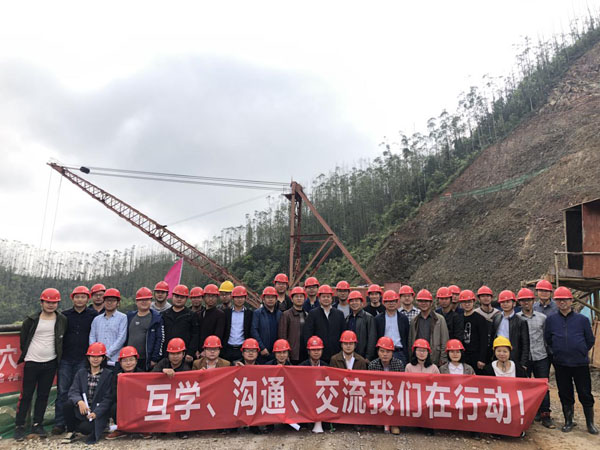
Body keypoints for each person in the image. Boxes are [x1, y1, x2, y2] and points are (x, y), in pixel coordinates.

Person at [14, 288, 67, 441]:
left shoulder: (61, 319)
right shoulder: (31, 320)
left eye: (54, 302)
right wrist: (31, 355)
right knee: (26, 395)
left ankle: (37, 424)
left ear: (58, 303)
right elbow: (24, 341)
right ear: (41, 302)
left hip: (50, 362)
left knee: (43, 396)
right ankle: (19, 426)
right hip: (32, 361)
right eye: (48, 302)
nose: (51, 305)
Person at [544, 286, 597, 434]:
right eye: (559, 300)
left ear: (571, 300)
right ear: (555, 302)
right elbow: (548, 339)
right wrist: (556, 352)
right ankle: (568, 421)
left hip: (580, 363)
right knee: (565, 393)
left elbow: (590, 340)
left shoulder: (582, 320)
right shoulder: (551, 320)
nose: (562, 302)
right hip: (561, 364)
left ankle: (590, 423)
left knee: (585, 393)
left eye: (565, 299)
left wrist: (581, 351)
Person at [53, 286, 97, 436]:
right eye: (77, 297)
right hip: (66, 358)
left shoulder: (93, 315)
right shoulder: (64, 315)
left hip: (83, 359)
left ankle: (78, 422)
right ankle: (60, 423)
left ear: (88, 299)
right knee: (62, 391)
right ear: (72, 298)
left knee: (81, 391)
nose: (80, 300)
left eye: (83, 297)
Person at [516, 288, 554, 428]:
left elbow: (546, 337)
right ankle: (530, 414)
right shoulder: (517, 318)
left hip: (541, 356)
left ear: (533, 301)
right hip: (525, 358)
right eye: (523, 300)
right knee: (525, 387)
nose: (526, 303)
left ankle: (545, 415)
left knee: (543, 387)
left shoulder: (542, 318)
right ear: (519, 302)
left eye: (528, 300)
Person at [61, 343, 113, 444]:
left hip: (96, 411)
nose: (95, 359)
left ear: (103, 358)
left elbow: (108, 398)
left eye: (98, 356)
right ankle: (71, 431)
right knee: (68, 404)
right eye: (92, 356)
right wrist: (79, 401)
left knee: (85, 429)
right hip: (83, 409)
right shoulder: (81, 373)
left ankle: (101, 426)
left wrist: (96, 413)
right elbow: (73, 390)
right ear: (88, 358)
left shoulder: (108, 375)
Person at [152, 338, 192, 439]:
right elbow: (151, 376)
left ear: (183, 354)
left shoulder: (186, 368)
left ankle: (181, 430)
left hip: (179, 399)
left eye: (178, 353)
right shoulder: (163, 362)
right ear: (168, 354)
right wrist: (162, 371)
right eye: (172, 354)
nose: (175, 357)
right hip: (165, 397)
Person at [106, 346, 146, 440]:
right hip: (123, 404)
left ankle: (143, 428)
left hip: (138, 403)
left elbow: (146, 393)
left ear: (136, 361)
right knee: (114, 407)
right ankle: (121, 429)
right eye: (125, 361)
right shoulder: (116, 375)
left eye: (131, 360)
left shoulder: (142, 374)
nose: (128, 363)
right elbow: (113, 394)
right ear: (120, 363)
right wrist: (121, 383)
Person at [368, 337, 404, 435]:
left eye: (388, 351)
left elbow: (401, 384)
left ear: (392, 352)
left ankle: (394, 423)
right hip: (378, 394)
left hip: (393, 395)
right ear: (378, 352)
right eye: (382, 351)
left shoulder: (399, 364)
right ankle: (382, 421)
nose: (385, 354)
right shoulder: (372, 365)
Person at [302, 284, 345, 363]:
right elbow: (307, 333)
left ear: (331, 298)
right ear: (319, 299)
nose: (326, 299)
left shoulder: (339, 314)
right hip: (318, 355)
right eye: (323, 297)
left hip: (336, 355)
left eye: (328, 297)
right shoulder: (313, 314)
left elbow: (343, 333)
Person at [489, 290, 529, 370]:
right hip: (498, 354)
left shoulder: (521, 321)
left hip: (514, 356)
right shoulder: (496, 318)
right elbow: (492, 338)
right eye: (503, 302)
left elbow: (525, 344)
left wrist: (523, 363)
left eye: (508, 302)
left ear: (514, 303)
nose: (505, 304)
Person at [126, 287, 164, 370]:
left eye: (147, 299)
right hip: (129, 358)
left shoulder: (156, 318)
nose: (144, 302)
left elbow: (160, 339)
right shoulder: (129, 317)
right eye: (141, 300)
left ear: (151, 301)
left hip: (146, 359)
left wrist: (154, 358)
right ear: (136, 302)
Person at [409, 289, 449, 367]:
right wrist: (411, 357)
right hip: (418, 358)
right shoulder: (414, 320)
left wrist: (443, 358)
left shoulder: (440, 319)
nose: (423, 303)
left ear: (431, 303)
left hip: (434, 358)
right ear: (417, 303)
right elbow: (411, 341)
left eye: (426, 301)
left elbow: (445, 340)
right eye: (421, 301)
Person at [89, 288, 127, 369]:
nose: (109, 303)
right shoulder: (97, 319)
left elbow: (121, 338)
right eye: (107, 300)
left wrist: (107, 354)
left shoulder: (123, 318)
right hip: (98, 360)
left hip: (115, 359)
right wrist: (96, 353)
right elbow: (92, 337)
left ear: (118, 303)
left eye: (112, 301)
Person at [161, 284, 199, 364]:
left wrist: (190, 352)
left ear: (186, 299)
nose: (179, 299)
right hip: (167, 354)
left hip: (184, 355)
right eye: (177, 296)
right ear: (172, 296)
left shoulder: (191, 315)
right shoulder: (164, 314)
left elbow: (195, 335)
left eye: (182, 297)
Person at [374, 290, 409, 365]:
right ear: (384, 303)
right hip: (383, 352)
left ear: (397, 302)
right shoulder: (378, 319)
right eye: (388, 301)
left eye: (393, 301)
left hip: (399, 352)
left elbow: (407, 337)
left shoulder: (403, 318)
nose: (391, 304)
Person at [222, 286, 254, 363]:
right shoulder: (225, 313)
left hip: (242, 348)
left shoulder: (250, 314)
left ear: (245, 298)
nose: (239, 300)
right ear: (232, 298)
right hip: (227, 348)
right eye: (237, 297)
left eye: (242, 297)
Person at [459, 289, 488, 374]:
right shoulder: (458, 318)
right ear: (461, 303)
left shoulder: (480, 319)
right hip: (462, 356)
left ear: (473, 302)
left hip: (476, 356)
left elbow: (484, 340)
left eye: (469, 302)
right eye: (464, 302)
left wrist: (482, 359)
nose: (467, 304)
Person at [251, 286, 282, 363]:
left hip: (276, 352)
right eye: (268, 297)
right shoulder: (257, 313)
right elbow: (254, 331)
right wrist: (261, 348)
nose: (270, 299)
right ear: (263, 299)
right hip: (262, 352)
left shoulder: (280, 314)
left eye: (273, 297)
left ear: (276, 299)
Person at [278, 286, 308, 365]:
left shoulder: (307, 315)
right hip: (292, 353)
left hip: (305, 353)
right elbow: (282, 335)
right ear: (292, 299)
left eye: (301, 296)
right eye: (296, 296)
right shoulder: (286, 315)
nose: (299, 298)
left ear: (304, 299)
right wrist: (285, 353)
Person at [346, 290, 377, 361]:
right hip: (350, 355)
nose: (354, 303)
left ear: (361, 303)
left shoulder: (368, 318)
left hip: (363, 357)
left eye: (357, 301)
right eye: (352, 301)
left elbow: (372, 338)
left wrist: (368, 356)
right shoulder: (348, 318)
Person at [198, 284, 226, 349]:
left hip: (212, 349)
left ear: (217, 298)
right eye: (208, 296)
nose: (211, 299)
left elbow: (218, 335)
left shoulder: (220, 314)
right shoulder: (199, 314)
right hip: (199, 350)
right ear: (203, 297)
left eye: (213, 296)